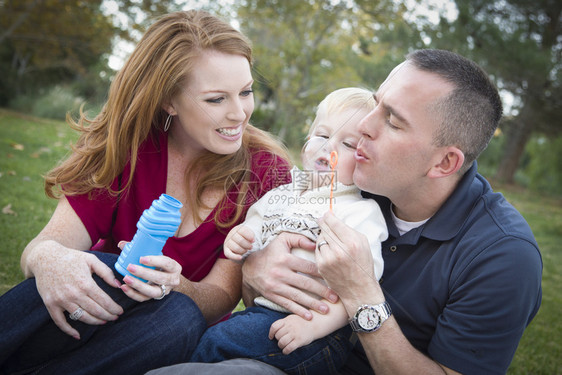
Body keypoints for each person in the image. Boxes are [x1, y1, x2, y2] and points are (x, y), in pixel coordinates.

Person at [148, 49, 543, 375]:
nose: (364, 128)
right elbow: (263, 278)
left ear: (443, 164)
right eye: (376, 104)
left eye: (392, 120)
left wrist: (360, 296)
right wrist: (254, 268)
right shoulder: (360, 183)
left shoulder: (503, 257)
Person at [0, 10, 291, 375]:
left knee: (179, 315)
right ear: (169, 100)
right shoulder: (130, 147)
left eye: (246, 92)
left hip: (159, 336)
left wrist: (176, 284)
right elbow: (42, 247)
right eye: (216, 99)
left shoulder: (265, 173)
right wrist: (50, 261)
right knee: (100, 271)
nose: (240, 113)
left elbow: (219, 298)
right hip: (90, 308)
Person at [189, 88, 388, 374]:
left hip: (319, 329)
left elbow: (363, 287)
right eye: (322, 135)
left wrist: (315, 326)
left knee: (219, 341)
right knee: (215, 337)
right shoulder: (282, 194)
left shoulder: (359, 212)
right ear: (308, 140)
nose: (328, 147)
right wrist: (239, 240)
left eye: (347, 144)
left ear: (364, 158)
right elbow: (253, 230)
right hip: (264, 314)